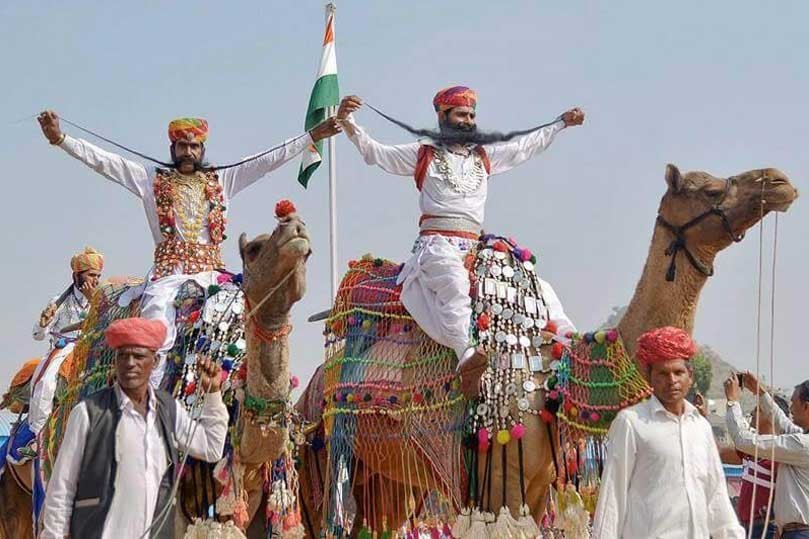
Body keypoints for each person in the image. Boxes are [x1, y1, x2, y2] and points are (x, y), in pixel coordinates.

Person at [37, 111, 341, 386]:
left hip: (213, 275)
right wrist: (61, 140)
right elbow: (106, 162)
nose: (189, 152)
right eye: (182, 147)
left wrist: (312, 136)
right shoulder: (151, 179)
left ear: (202, 150)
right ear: (173, 149)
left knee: (246, 315)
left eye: (194, 147)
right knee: (157, 326)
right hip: (169, 277)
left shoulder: (221, 179)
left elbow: (266, 160)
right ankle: (152, 398)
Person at [335, 87, 582, 368]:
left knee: (532, 282)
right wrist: (347, 121)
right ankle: (467, 356)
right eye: (461, 114)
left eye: (472, 115)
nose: (468, 120)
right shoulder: (422, 155)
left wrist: (560, 124)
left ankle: (568, 337)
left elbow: (523, 147)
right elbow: (375, 152)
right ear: (443, 116)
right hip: (436, 246)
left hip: (478, 246)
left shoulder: (484, 156)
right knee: (455, 284)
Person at [39, 317, 229, 539]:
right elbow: (62, 488)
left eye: (138, 356)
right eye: (123, 356)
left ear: (155, 361)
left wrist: (212, 394)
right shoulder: (88, 413)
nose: (130, 363)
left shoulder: (168, 411)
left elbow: (211, 447)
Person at [592, 326, 744, 538]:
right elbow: (612, 497)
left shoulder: (701, 427)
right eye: (663, 373)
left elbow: (716, 497)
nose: (672, 380)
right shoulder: (632, 423)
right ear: (649, 377)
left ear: (690, 377)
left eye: (678, 372)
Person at [29, 246, 103, 434]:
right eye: (91, 275)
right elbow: (38, 336)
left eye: (98, 276)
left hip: (92, 351)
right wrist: (43, 323)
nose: (95, 280)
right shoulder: (59, 302)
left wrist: (94, 301)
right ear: (76, 276)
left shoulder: (101, 300)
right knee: (45, 382)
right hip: (62, 352)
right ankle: (37, 435)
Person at [726, 371, 809, 538]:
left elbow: (743, 440)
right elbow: (781, 421)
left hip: (799, 533)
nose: (790, 409)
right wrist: (759, 391)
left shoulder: (802, 445)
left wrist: (732, 402)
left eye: (793, 404)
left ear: (807, 407)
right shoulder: (802, 440)